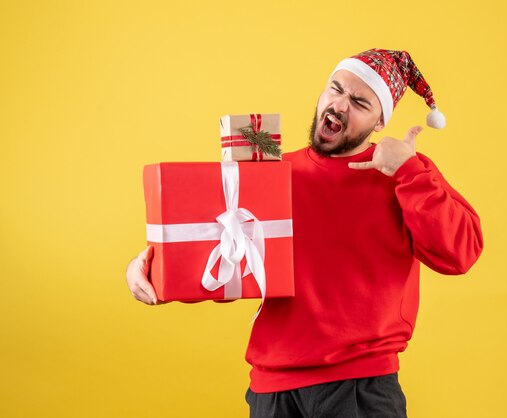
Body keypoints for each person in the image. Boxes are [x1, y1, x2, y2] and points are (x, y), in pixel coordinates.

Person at [126, 48, 484, 417]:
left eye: (360, 102)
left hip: (360, 389)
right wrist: (149, 271)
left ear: (380, 123)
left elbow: (461, 251)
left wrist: (408, 171)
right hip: (273, 391)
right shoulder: (273, 174)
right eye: (336, 89)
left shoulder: (405, 172)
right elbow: (225, 257)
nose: (340, 105)